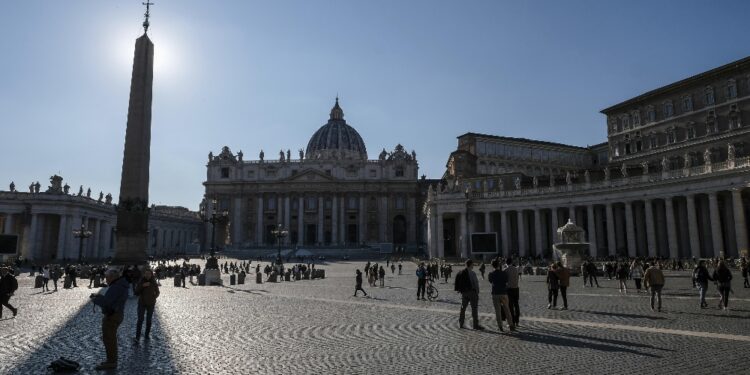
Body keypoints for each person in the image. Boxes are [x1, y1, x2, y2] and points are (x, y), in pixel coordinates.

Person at [90, 268, 129, 370]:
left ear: (112, 277)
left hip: (112, 316)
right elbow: (111, 299)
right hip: (117, 314)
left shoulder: (116, 287)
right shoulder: (120, 285)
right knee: (110, 339)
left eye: (107, 277)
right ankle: (111, 360)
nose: (106, 279)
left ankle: (111, 362)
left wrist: (95, 299)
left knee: (109, 339)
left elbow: (107, 302)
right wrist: (100, 296)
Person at [454, 260, 483, 330]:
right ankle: (475, 325)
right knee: (474, 309)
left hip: (464, 293)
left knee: (463, 308)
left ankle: (461, 323)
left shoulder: (461, 272)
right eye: (473, 265)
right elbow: (475, 283)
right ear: (470, 265)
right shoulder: (472, 273)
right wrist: (477, 292)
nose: (473, 266)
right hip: (472, 293)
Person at [487, 260, 515, 331]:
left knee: (498, 311)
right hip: (504, 293)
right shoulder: (504, 273)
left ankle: (500, 326)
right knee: (507, 309)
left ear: (492, 266)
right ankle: (511, 324)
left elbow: (490, 281)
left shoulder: (491, 274)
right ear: (499, 265)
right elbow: (506, 281)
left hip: (495, 293)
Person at [134, 269, 160, 341]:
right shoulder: (141, 282)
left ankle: (147, 335)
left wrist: (153, 298)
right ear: (144, 274)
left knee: (149, 320)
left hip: (151, 304)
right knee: (140, 320)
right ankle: (137, 336)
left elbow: (158, 292)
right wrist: (142, 286)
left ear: (151, 275)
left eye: (149, 274)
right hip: (142, 303)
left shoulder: (154, 282)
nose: (148, 275)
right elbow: (136, 292)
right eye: (146, 274)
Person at [504, 258, 520, 326]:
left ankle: (512, 321)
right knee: (516, 305)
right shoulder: (516, 269)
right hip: (516, 288)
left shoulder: (506, 270)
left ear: (506, 263)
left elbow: (505, 281)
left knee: (510, 306)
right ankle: (517, 321)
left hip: (509, 289)